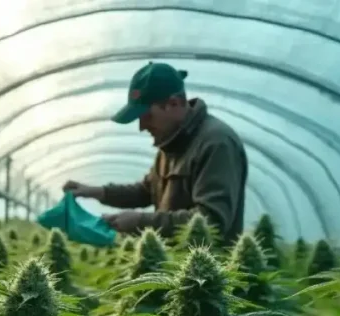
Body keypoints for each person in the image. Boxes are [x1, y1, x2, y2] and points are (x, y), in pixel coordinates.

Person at [62, 61, 248, 244]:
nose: (142, 127)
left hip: (207, 270)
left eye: (147, 116)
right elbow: (146, 191)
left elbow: (210, 220)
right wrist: (95, 192)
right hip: (175, 265)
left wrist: (140, 222)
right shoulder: (171, 143)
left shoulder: (216, 143)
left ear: (174, 103)